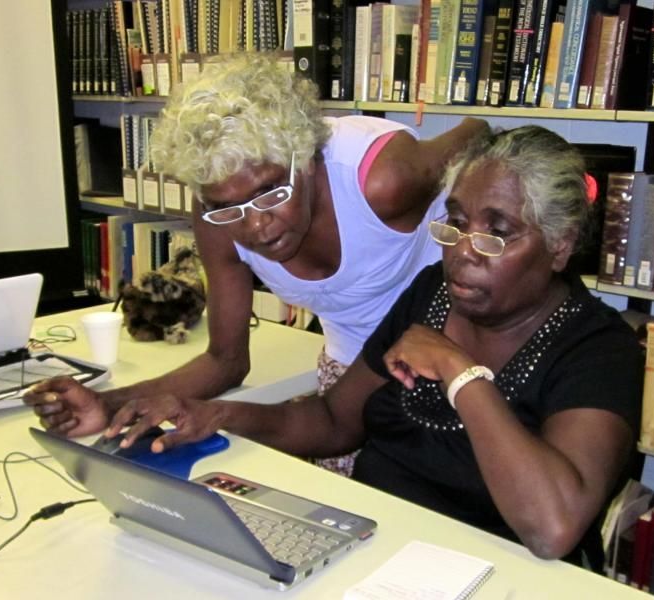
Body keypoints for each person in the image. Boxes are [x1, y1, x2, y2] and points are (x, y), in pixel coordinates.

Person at [34, 125, 643, 567]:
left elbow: (552, 528)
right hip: (375, 550)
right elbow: (332, 421)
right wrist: (210, 416)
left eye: (496, 233)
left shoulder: (599, 350)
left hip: (490, 572)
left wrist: (461, 374)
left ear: (560, 245)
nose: (460, 249)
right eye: (454, 221)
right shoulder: (432, 294)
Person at [27, 52, 488, 474]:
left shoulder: (387, 180)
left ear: (305, 160)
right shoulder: (216, 216)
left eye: (270, 193)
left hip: (446, 354)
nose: (255, 228)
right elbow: (226, 361)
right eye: (228, 207)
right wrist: (108, 405)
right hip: (349, 375)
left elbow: (478, 132)